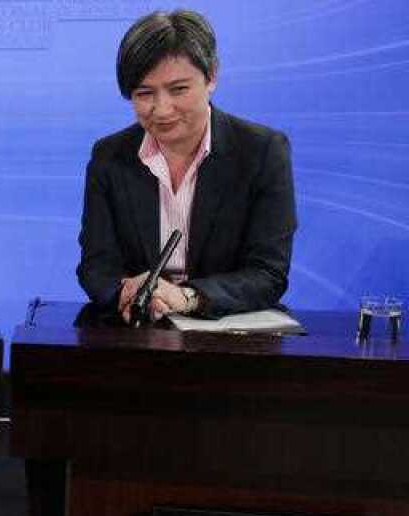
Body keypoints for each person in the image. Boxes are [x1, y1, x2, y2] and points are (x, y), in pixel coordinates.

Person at [76, 9, 295, 322]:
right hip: (137, 330)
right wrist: (126, 292)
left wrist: (187, 297)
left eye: (178, 89)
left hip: (230, 330)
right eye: (144, 93)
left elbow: (268, 272)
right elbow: (96, 266)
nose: (162, 109)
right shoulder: (109, 156)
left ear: (212, 76)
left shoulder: (262, 152)